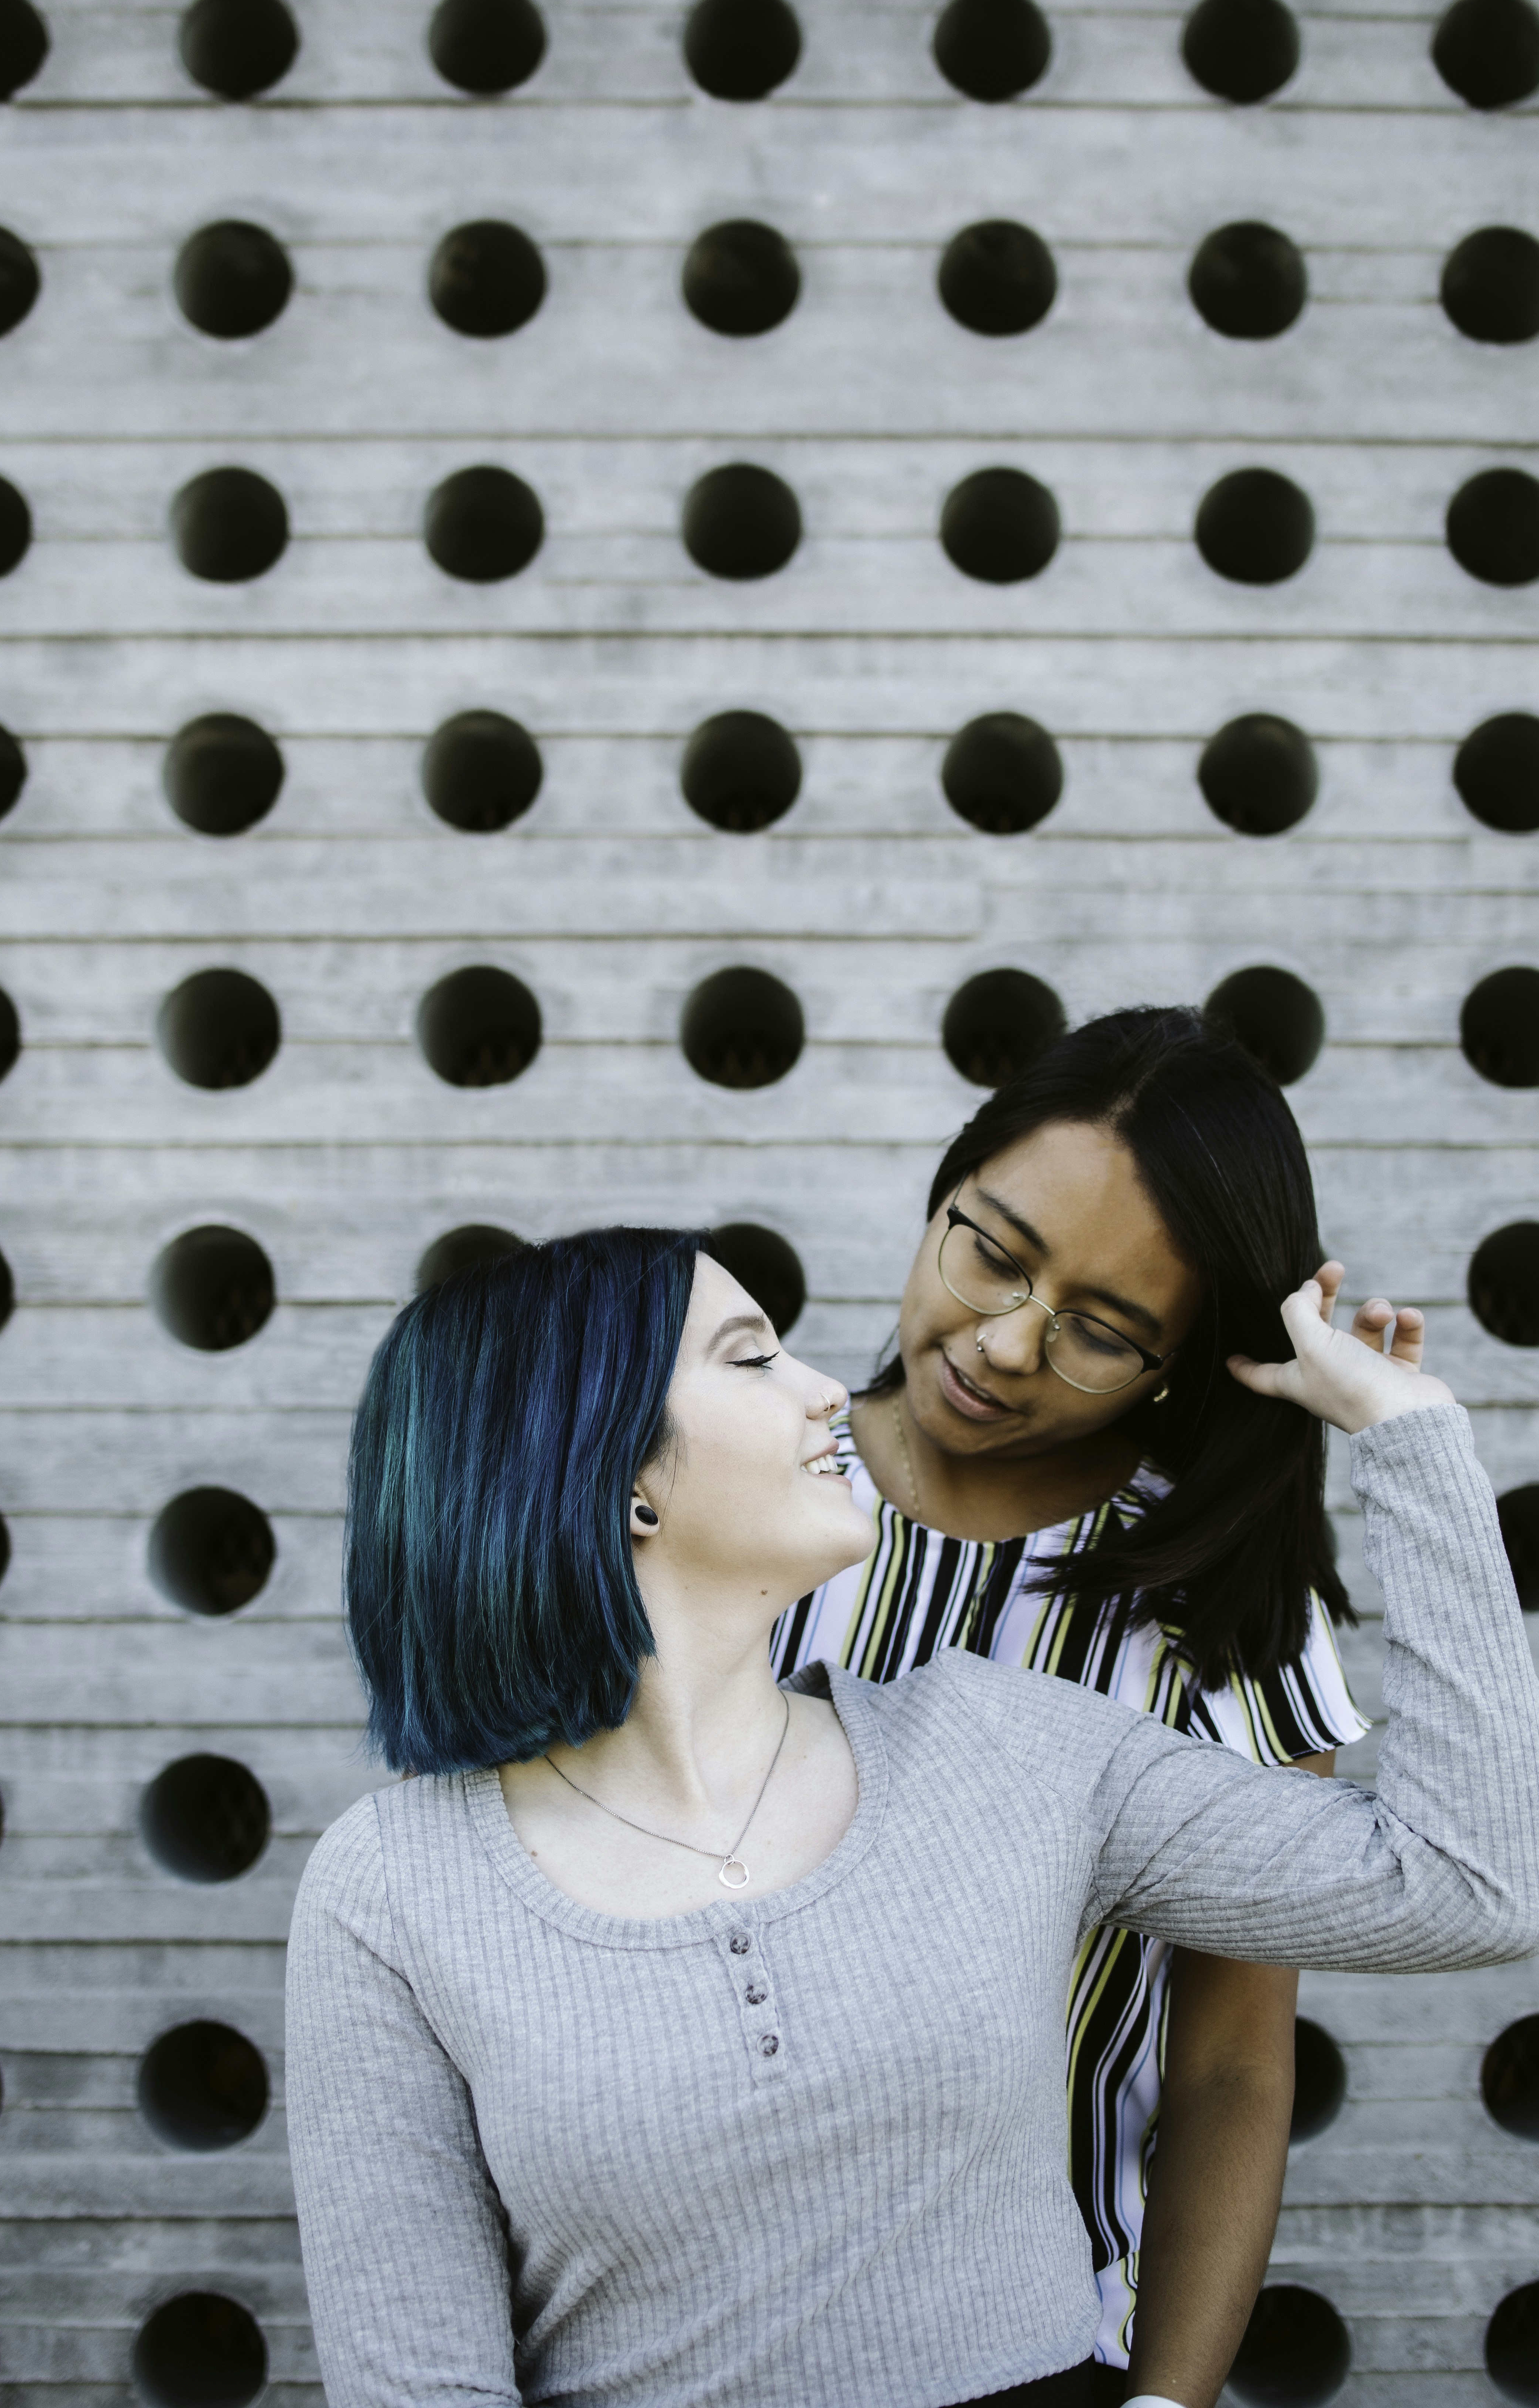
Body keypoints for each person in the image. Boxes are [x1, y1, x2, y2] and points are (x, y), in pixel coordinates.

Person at [286, 1226, 1539, 2408]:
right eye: (753, 1357)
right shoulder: (392, 1891)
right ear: (615, 1477)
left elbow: (1467, 1888)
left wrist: (1410, 1433)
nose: (830, 1390)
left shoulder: (1009, 1747)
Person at [769, 1007, 1367, 2403]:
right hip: (682, 2342)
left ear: (1182, 1361)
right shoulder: (719, 1496)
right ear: (946, 1187)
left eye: (1104, 1331)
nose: (1007, 1348)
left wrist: (1162, 2401)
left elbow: (1229, 2069)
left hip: (1037, 2353)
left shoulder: (1225, 1621)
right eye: (992, 1252)